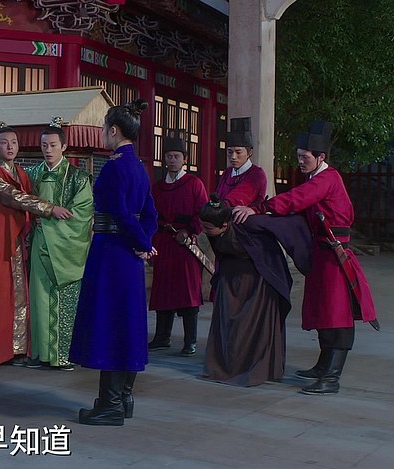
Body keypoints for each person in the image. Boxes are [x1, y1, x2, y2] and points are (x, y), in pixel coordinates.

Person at [232, 120, 378, 395]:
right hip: (321, 254)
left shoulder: (327, 179)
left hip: (335, 256)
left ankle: (332, 377)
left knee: (337, 314)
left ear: (320, 157)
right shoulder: (314, 178)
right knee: (323, 310)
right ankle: (323, 367)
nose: (300, 161)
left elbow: (296, 199)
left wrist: (260, 208)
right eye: (298, 156)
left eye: (305, 157)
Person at [0, 122, 72, 371]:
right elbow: (15, 197)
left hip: (14, 240)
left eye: (14, 142)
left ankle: (13, 349)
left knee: (15, 292)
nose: (10, 147)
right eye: (4, 142)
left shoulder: (20, 172)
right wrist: (50, 209)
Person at [70, 99, 157, 426]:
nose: (102, 134)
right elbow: (150, 213)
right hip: (130, 257)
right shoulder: (139, 167)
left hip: (111, 254)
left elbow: (119, 214)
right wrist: (144, 244)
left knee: (109, 324)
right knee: (127, 324)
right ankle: (123, 398)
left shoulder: (114, 167)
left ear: (114, 130)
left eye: (104, 128)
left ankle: (110, 405)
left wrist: (141, 242)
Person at [200, 195, 311, 387]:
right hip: (231, 279)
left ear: (225, 225)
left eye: (209, 228)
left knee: (251, 325)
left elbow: (289, 223)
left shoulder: (248, 222)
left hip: (258, 280)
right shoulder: (214, 226)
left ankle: (256, 367)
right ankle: (228, 366)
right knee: (228, 323)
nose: (205, 231)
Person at [25, 118, 94, 371]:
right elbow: (22, 205)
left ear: (64, 147)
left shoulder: (78, 177)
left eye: (53, 145)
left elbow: (82, 215)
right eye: (44, 145)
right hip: (39, 245)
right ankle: (39, 353)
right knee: (39, 299)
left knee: (65, 301)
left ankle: (64, 355)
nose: (48, 150)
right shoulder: (32, 174)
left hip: (66, 248)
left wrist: (48, 223)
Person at [147, 130, 208, 356]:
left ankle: (190, 341)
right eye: (169, 156)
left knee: (188, 292)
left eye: (176, 156)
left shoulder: (194, 184)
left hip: (185, 245)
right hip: (163, 243)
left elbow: (202, 213)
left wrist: (190, 231)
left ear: (185, 159)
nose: (172, 160)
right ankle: (162, 337)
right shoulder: (157, 187)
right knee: (163, 290)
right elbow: (150, 216)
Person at [217, 117, 267, 207]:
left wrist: (223, 205)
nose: (233, 157)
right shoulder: (227, 173)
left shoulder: (257, 174)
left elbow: (242, 194)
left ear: (249, 153)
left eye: (238, 152)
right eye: (230, 152)